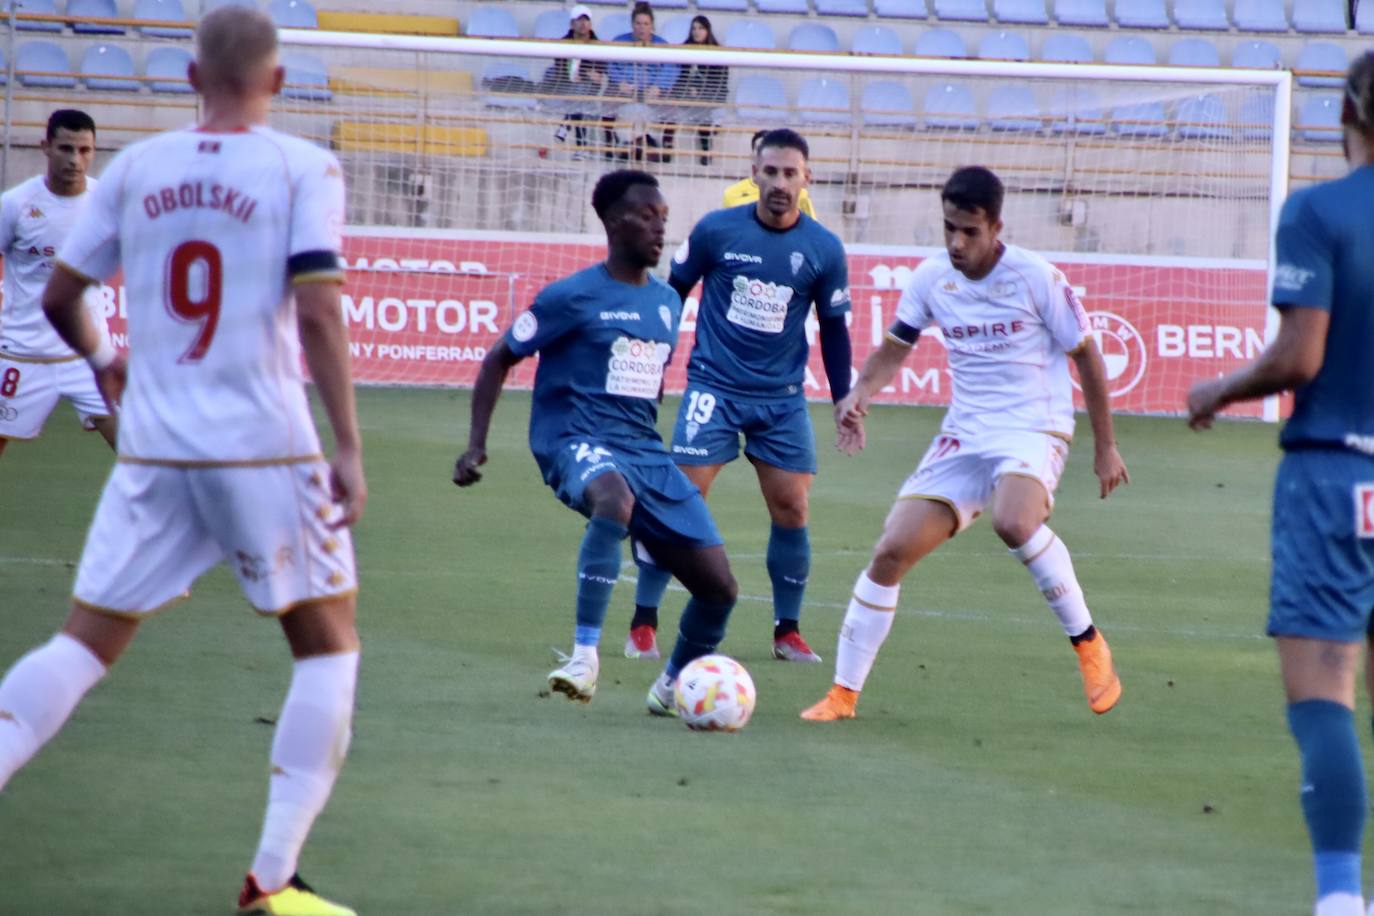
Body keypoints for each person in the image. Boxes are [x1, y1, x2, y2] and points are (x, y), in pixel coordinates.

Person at [0, 9, 365, 915]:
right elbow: (319, 312)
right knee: (326, 650)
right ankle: (270, 879)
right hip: (263, 444)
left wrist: (104, 358)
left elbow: (60, 297)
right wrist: (349, 447)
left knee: (82, 645)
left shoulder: (137, 169)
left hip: (156, 444)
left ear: (192, 77)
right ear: (276, 84)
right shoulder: (301, 166)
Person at [800, 165, 1129, 723]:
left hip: (1032, 428)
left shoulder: (1038, 278)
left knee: (1013, 520)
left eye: (969, 231)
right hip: (965, 434)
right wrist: (860, 395)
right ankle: (843, 695)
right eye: (948, 228)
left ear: (996, 227)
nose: (956, 242)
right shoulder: (932, 278)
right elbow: (895, 349)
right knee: (889, 552)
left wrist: (1106, 447)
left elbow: (1089, 357)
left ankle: (1089, 644)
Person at [1186, 51, 1374, 916]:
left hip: (1339, 473)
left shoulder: (1319, 213)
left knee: (1326, 695)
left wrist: (1219, 388)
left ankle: (1340, 897)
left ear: (1349, 114)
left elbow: (1302, 355)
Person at [453, 170, 738, 717]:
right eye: (646, 216)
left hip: (643, 451)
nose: (660, 229)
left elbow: (649, 383)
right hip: (574, 441)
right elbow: (498, 358)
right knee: (612, 499)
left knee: (720, 589)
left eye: (664, 219)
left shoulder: (665, 303)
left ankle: (672, 685)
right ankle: (584, 657)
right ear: (612, 222)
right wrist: (476, 445)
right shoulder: (570, 296)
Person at [627, 128, 850, 664]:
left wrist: (844, 397)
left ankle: (787, 630)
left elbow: (835, 327)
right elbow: (671, 296)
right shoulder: (716, 231)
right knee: (679, 499)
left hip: (781, 399)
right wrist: (651, 365)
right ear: (753, 173)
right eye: (769, 171)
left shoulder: (823, 247)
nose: (779, 182)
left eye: (789, 173)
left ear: (807, 178)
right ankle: (644, 621)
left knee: (793, 507)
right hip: (714, 389)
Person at [0, 109, 116, 458]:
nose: (75, 160)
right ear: (46, 147)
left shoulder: (107, 203)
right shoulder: (15, 205)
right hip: (23, 353)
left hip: (86, 353)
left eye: (84, 151)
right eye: (66, 148)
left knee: (136, 451)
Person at [609, 2, 680, 163]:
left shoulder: (662, 44)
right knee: (606, 102)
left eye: (646, 24)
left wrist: (659, 87)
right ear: (632, 24)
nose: (641, 28)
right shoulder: (619, 42)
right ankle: (610, 142)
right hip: (626, 90)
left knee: (672, 106)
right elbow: (611, 65)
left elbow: (672, 68)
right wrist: (620, 82)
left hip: (652, 91)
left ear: (652, 26)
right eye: (638, 23)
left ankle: (666, 146)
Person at [545, 4, 612, 162]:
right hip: (566, 85)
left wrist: (587, 74)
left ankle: (566, 126)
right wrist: (585, 73)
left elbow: (601, 72)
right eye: (579, 20)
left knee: (581, 94)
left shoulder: (597, 44)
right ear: (572, 24)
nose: (583, 24)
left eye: (586, 20)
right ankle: (580, 148)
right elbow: (561, 69)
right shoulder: (563, 43)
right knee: (579, 99)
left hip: (589, 88)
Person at [723, 129, 817, 219]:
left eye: (789, 174)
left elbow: (811, 225)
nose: (780, 185)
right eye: (758, 149)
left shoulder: (801, 194)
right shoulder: (732, 193)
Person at [674, 15, 729, 167]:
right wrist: (689, 88)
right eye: (694, 28)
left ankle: (706, 148)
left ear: (708, 31)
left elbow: (720, 83)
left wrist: (701, 91)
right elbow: (679, 78)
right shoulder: (684, 49)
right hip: (687, 96)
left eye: (701, 28)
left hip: (711, 97)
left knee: (703, 107)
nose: (696, 32)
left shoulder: (718, 53)